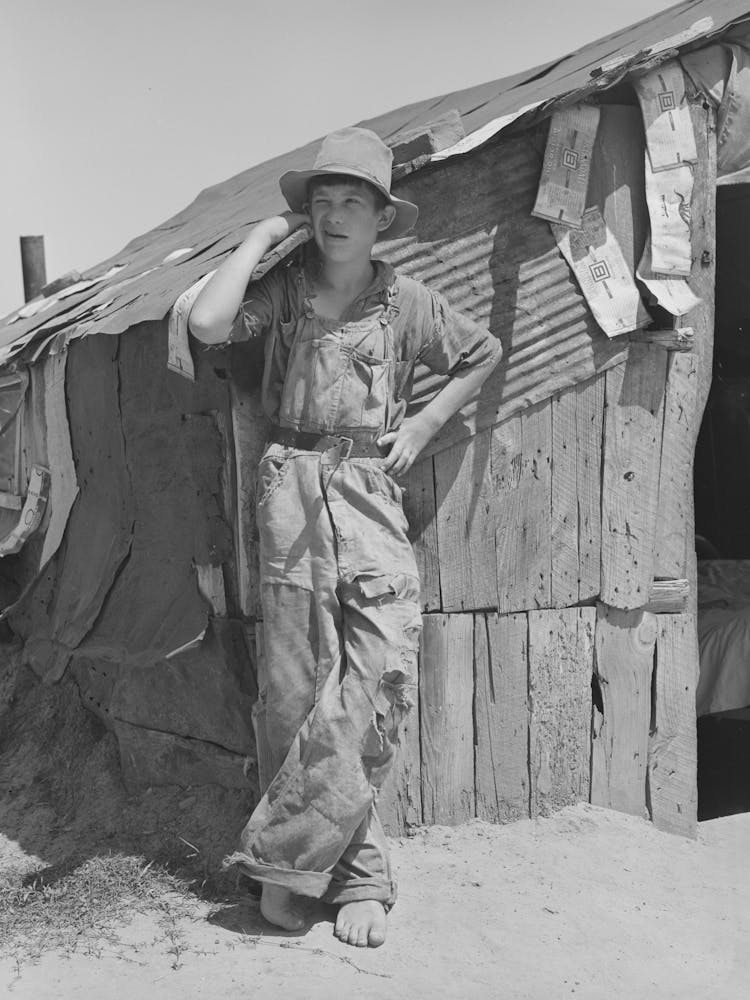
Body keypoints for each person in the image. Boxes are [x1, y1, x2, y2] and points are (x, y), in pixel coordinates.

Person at [189, 127, 502, 949]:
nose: (333, 217)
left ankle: (284, 863)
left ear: (380, 218)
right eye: (321, 203)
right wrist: (261, 238)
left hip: (368, 490)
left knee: (380, 673)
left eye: (350, 203)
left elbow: (482, 351)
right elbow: (213, 324)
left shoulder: (407, 302)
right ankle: (353, 878)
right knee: (294, 690)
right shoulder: (286, 288)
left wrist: (428, 421)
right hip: (290, 489)